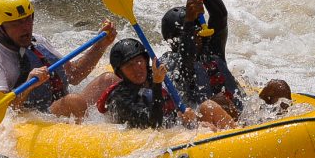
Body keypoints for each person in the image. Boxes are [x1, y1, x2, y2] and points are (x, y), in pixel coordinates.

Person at [159, 0, 291, 118]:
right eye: (192, 33)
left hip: (243, 117)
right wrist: (188, 22)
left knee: (279, 87)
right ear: (176, 41)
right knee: (221, 101)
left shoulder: (211, 49)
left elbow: (220, 15)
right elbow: (187, 57)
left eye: (198, 30)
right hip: (212, 124)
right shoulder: (172, 63)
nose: (198, 36)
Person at [0, 0, 117, 119]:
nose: (25, 27)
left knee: (109, 80)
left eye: (28, 19)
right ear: (1, 28)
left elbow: (74, 75)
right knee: (73, 102)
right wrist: (28, 85)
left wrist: (100, 45)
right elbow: (0, 114)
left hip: (59, 107)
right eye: (16, 23)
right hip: (33, 120)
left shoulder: (38, 41)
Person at [96, 38, 232, 129]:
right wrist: (156, 84)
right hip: (149, 139)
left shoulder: (154, 75)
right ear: (120, 73)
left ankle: (240, 136)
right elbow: (154, 124)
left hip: (170, 130)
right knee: (206, 129)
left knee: (208, 107)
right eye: (129, 65)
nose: (136, 68)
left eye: (139, 61)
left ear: (145, 60)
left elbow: (186, 64)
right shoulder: (121, 98)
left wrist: (187, 116)